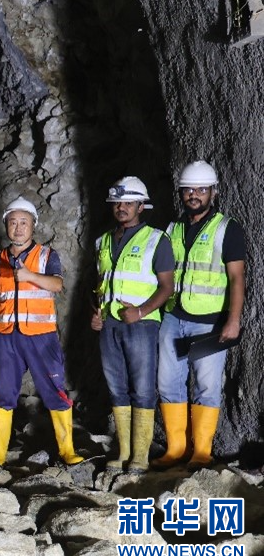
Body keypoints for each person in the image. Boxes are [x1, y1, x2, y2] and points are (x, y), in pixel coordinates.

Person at [153, 161, 246, 469]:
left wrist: (234, 319)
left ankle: (202, 451)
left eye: (201, 190)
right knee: (168, 383)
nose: (194, 195)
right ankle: (176, 449)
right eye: (189, 189)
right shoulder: (172, 229)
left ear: (213, 192)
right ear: (181, 192)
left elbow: (237, 277)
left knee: (206, 386)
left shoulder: (227, 228)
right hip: (173, 317)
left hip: (210, 321)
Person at [0, 196, 84, 466]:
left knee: (53, 388)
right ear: (6, 224)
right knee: (1, 390)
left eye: (24, 222)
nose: (18, 228)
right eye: (13, 222)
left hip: (40, 336)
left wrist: (29, 276)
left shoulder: (46, 255)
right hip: (6, 336)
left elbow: (57, 285)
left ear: (33, 225)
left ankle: (67, 450)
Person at [90, 177, 173, 472]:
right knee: (117, 388)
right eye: (117, 202)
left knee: (143, 389)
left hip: (141, 325)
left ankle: (140, 455)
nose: (121, 207)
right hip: (110, 325)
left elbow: (167, 287)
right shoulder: (102, 242)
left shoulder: (156, 240)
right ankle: (123, 452)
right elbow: (99, 285)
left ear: (141, 206)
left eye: (128, 202)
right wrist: (96, 313)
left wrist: (140, 311)